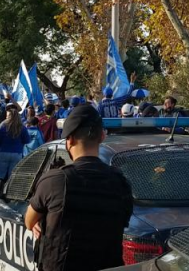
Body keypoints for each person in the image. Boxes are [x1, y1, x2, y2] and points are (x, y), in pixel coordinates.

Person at [25, 105, 133, 271]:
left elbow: (29, 220)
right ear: (102, 136)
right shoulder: (120, 182)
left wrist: (40, 221)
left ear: (69, 140)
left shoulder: (54, 181)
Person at [0, 106, 31, 180]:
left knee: (0, 174)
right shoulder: (22, 127)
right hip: (17, 152)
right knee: (12, 176)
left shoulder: (3, 126)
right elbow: (27, 140)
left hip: (4, 151)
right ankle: (8, 191)